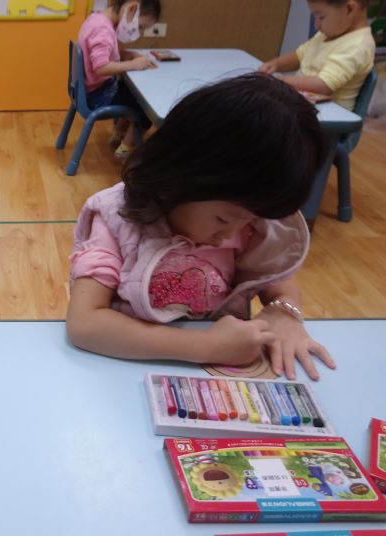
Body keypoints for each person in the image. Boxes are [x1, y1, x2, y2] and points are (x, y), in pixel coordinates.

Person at [66, 73, 333, 381]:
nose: (232, 234)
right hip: (124, 373)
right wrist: (208, 346)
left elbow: (280, 286)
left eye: (250, 219)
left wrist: (285, 313)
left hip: (218, 382)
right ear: (176, 179)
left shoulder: (246, 222)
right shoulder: (117, 218)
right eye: (224, 219)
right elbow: (84, 323)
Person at [78, 0, 161, 159]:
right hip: (98, 96)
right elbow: (101, 67)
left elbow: (104, 51)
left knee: (131, 93)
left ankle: (119, 134)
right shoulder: (103, 29)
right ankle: (126, 149)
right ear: (132, 8)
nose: (139, 32)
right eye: (140, 26)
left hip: (91, 90)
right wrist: (133, 64)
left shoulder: (97, 19)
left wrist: (129, 55)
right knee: (145, 108)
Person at [259, 0, 374, 111]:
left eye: (321, 17)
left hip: (327, 116)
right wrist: (276, 64)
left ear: (349, 9)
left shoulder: (356, 46)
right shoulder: (327, 34)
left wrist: (281, 80)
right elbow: (300, 56)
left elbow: (323, 85)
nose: (316, 25)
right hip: (305, 106)